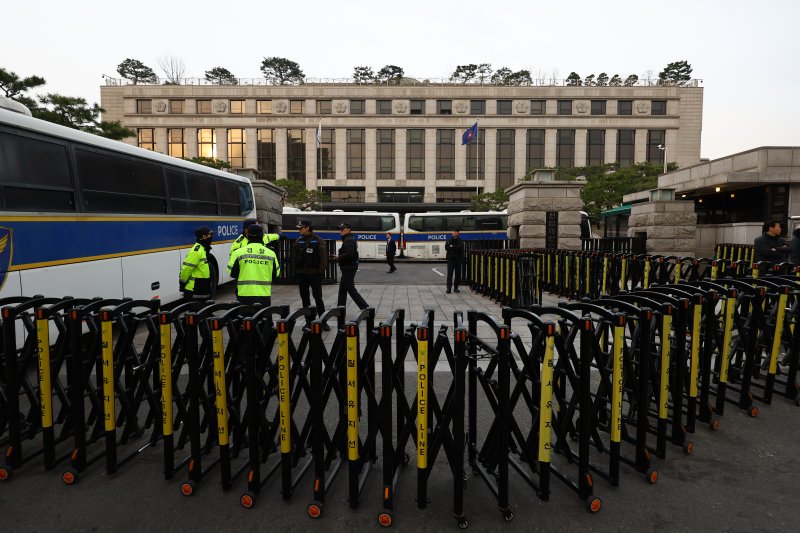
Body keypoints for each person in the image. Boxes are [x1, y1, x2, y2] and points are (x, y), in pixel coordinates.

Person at [227, 224, 280, 307]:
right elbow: (276, 274)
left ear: (247, 235)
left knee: (245, 318)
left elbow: (232, 273)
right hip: (264, 295)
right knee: (263, 318)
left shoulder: (238, 253)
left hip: (244, 295)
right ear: (262, 236)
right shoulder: (271, 254)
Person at [293, 219, 329, 329]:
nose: (299, 230)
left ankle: (323, 322)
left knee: (318, 297)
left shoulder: (318, 240)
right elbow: (294, 258)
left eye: (301, 228)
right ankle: (308, 321)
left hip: (314, 274)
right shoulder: (298, 241)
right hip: (301, 274)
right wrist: (295, 273)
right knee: (305, 298)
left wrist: (320, 273)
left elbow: (323, 259)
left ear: (307, 228)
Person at [333, 223, 369, 311]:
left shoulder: (348, 239)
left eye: (342, 229)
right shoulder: (349, 238)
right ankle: (340, 309)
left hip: (349, 267)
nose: (340, 231)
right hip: (349, 266)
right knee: (343, 289)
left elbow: (349, 254)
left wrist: (338, 257)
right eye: (340, 229)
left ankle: (366, 309)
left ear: (348, 229)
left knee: (351, 289)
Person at [179, 226, 214, 301]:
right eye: (209, 235)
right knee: (195, 312)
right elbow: (186, 268)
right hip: (194, 291)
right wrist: (182, 284)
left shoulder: (203, 250)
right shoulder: (196, 251)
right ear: (204, 237)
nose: (211, 237)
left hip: (201, 290)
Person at [444, 228, 465, 294]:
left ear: (458, 233)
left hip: (458, 259)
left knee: (458, 274)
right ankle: (448, 288)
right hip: (451, 259)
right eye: (453, 232)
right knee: (449, 274)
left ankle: (456, 288)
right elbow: (446, 248)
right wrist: (455, 247)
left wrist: (452, 246)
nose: (454, 233)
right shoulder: (449, 240)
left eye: (456, 232)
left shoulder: (460, 240)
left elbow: (461, 248)